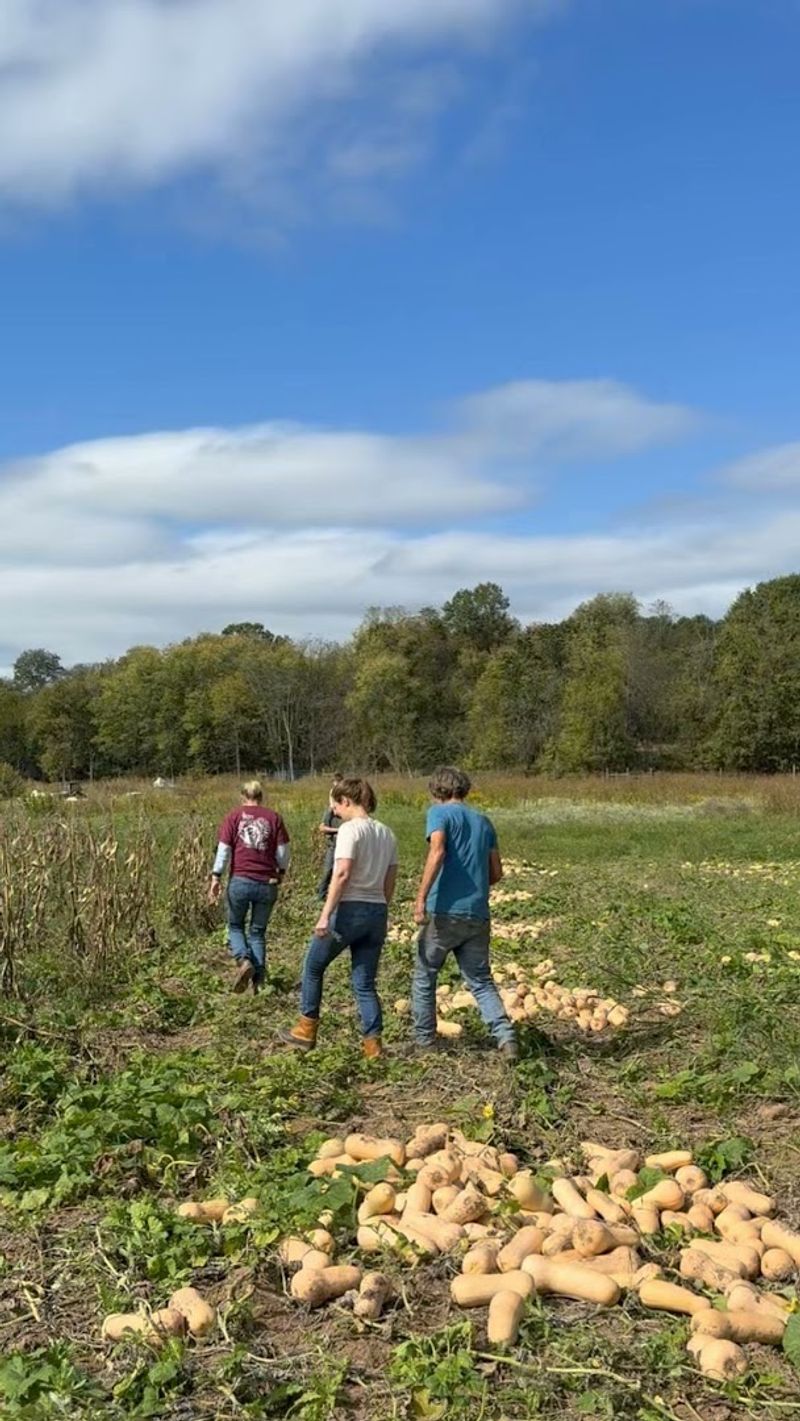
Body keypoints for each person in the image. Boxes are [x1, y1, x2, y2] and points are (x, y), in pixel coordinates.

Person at [280, 776, 398, 1059]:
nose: (333, 811)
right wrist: (382, 908)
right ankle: (373, 1046)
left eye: (335, 805)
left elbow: (342, 873)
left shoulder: (348, 830)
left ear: (347, 801)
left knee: (313, 966)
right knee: (364, 983)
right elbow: (391, 878)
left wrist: (325, 914)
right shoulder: (387, 834)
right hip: (377, 911)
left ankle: (306, 1029)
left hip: (348, 910)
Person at [411, 766, 517, 1060]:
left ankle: (424, 1041)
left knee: (425, 973)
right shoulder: (484, 822)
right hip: (477, 913)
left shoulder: (439, 814)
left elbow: (438, 851)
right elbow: (496, 872)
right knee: (480, 980)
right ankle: (505, 1037)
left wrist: (420, 898)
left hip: (445, 911)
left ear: (436, 791)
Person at [208, 780, 291, 993]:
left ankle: (244, 961)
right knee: (258, 932)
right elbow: (283, 852)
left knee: (235, 926)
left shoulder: (233, 817)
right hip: (266, 883)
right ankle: (259, 981)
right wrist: (280, 872)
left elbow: (224, 850)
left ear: (242, 796)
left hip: (240, 881)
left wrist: (216, 876)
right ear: (261, 796)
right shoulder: (274, 818)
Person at [316, 774, 343, 900]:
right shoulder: (329, 812)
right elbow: (322, 828)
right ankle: (321, 894)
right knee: (328, 870)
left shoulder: (348, 811)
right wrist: (338, 830)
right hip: (333, 845)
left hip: (345, 846)